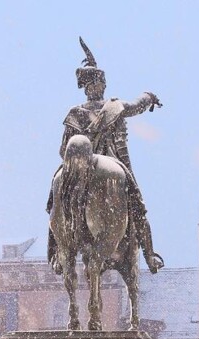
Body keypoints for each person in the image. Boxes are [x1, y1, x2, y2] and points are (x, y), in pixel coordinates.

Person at [46, 38, 164, 275]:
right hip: (116, 163)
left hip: (77, 169)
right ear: (100, 86)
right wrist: (150, 96)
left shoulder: (74, 114)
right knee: (137, 207)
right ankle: (150, 255)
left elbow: (63, 150)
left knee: (55, 203)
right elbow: (138, 105)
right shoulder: (116, 106)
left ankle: (57, 255)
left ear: (87, 88)